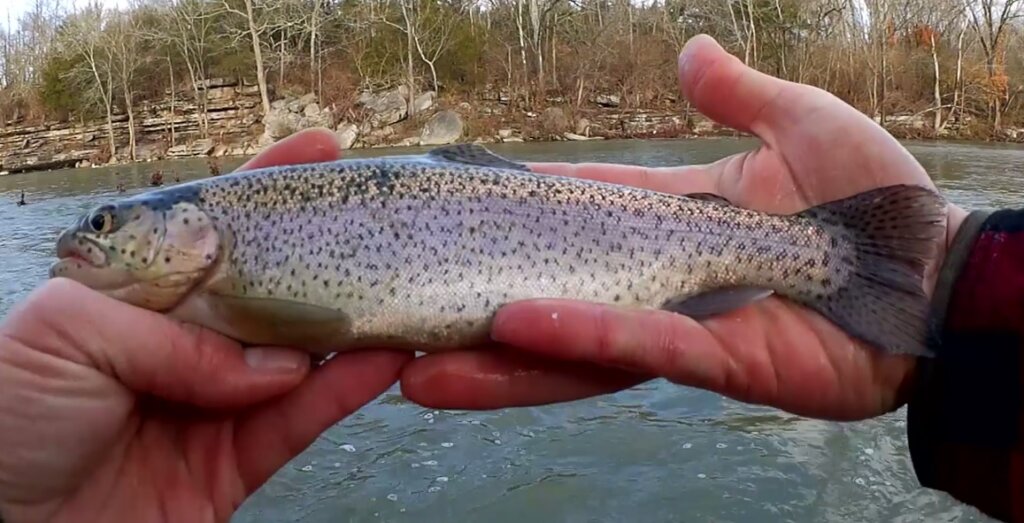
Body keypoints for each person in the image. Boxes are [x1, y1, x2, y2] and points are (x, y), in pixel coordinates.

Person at [0, 34, 1014, 522]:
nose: (88, 244)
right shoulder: (218, 259)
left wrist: (953, 279)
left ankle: (869, 258)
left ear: (180, 227)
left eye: (106, 224)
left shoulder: (224, 242)